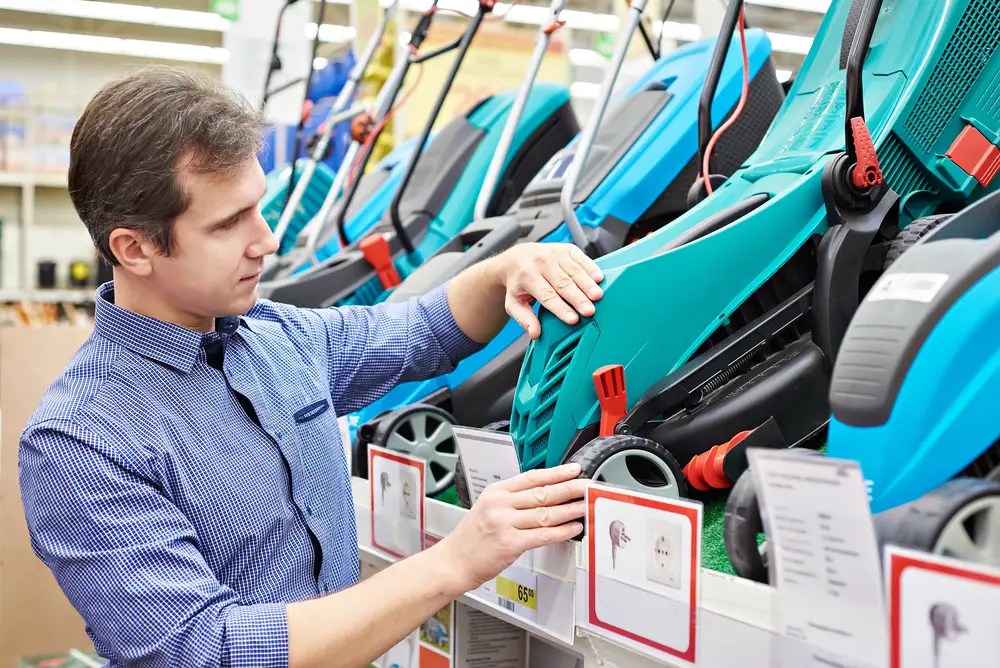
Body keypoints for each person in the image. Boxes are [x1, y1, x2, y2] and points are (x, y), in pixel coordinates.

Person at [18, 66, 605, 668]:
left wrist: (507, 267)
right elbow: (206, 651)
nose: (267, 241)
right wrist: (454, 562)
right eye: (227, 224)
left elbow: (422, 331)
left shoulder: (278, 337)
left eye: (258, 209)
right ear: (133, 248)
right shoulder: (79, 443)